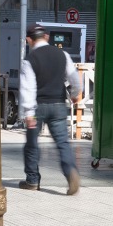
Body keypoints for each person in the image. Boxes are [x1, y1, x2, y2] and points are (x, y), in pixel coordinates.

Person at [19, 24, 81, 195]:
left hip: (38, 107)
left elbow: (28, 88)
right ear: (46, 37)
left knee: (32, 145)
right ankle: (70, 173)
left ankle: (32, 180)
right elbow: (75, 79)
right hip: (58, 105)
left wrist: (29, 112)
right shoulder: (63, 55)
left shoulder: (30, 60)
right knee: (62, 143)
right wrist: (75, 94)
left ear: (28, 40)